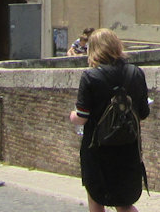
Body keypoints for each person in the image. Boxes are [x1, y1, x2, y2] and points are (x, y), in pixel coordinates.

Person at [67, 29, 149, 212]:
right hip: (128, 146)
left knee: (96, 196)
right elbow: (143, 112)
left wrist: (72, 116)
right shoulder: (135, 73)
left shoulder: (90, 76)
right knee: (124, 202)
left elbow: (81, 117)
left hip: (97, 148)